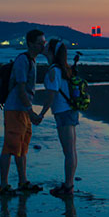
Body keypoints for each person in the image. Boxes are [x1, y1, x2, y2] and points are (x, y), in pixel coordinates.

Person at [0, 29, 45, 195]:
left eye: (44, 43)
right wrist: (30, 111)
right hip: (15, 109)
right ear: (31, 44)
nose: (43, 46)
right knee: (10, 147)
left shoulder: (32, 61)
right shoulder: (23, 61)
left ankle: (23, 181)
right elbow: (20, 88)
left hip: (22, 110)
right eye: (40, 43)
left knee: (22, 146)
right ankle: (3, 185)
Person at [40, 39, 79, 198]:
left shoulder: (54, 70)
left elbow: (51, 94)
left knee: (68, 151)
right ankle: (68, 184)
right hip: (69, 111)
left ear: (51, 51)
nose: (43, 46)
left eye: (46, 45)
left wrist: (41, 113)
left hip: (63, 112)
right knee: (71, 151)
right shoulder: (64, 69)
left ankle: (68, 186)